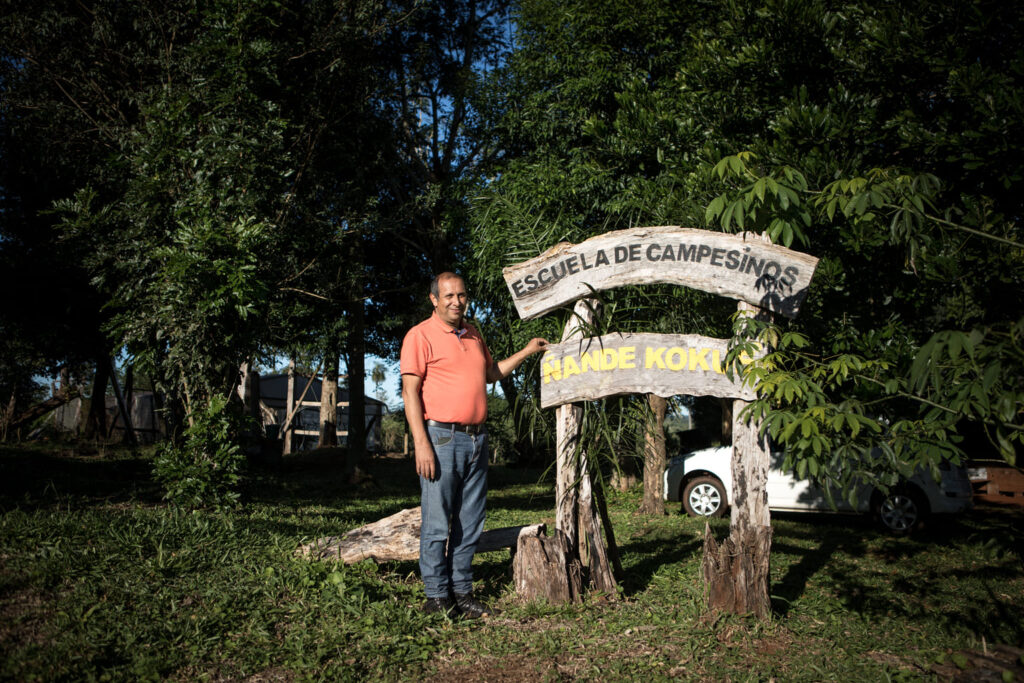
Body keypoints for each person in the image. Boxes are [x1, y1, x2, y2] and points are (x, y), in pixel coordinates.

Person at [400, 272, 548, 618]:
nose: (456, 301)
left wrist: (527, 350)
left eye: (462, 295)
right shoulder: (420, 335)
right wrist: (421, 443)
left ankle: (462, 593)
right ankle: (437, 597)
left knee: (470, 521)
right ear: (434, 299)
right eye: (448, 296)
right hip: (441, 438)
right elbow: (410, 393)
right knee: (438, 522)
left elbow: (491, 373)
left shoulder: (473, 334)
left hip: (477, 439)